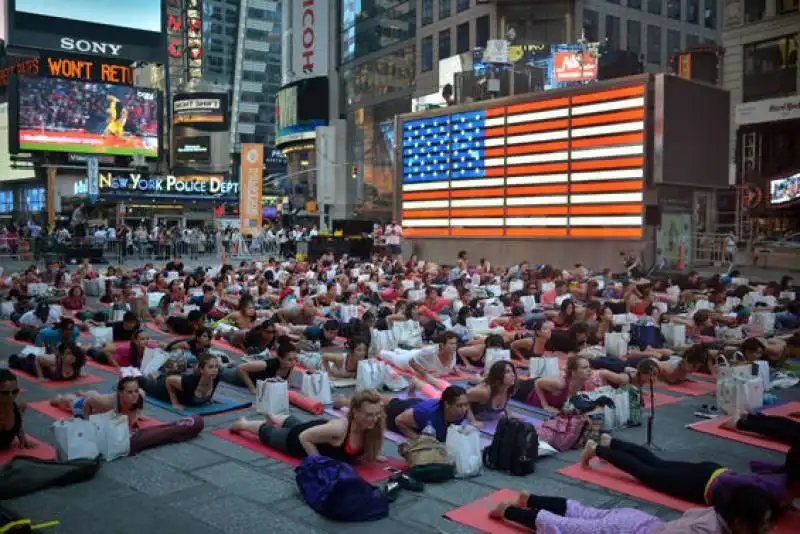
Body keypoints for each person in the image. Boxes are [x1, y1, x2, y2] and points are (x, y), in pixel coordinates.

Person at [580, 434, 800, 509]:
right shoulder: (777, 489)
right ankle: (597, 448)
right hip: (700, 484)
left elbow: (756, 466)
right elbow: (738, 485)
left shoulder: (783, 478)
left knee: (657, 464)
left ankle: (612, 442)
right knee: (646, 472)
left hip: (713, 471)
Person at [489, 485, 776, 534]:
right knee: (569, 527)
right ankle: (509, 511)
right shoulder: (706, 529)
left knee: (584, 513)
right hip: (628, 528)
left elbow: (685, 516)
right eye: (760, 527)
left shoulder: (715, 515)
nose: (766, 531)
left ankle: (531, 498)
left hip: (639, 521)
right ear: (739, 522)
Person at [230, 388, 385, 464]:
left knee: (298, 424)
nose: (374, 418)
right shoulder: (340, 429)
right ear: (356, 413)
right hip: (295, 441)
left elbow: (368, 445)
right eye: (369, 414)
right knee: (268, 432)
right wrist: (318, 464)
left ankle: (275, 417)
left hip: (317, 430)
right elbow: (304, 437)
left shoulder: (373, 426)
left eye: (377, 414)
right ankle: (244, 423)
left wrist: (373, 454)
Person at [513, 355, 633, 413]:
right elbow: (538, 382)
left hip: (545, 390)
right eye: (584, 368)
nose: (589, 370)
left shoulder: (581, 385)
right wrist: (545, 406)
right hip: (527, 390)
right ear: (574, 372)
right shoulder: (560, 384)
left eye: (589, 367)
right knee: (505, 387)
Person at [385, 385, 469, 449]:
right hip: (397, 412)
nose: (464, 409)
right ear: (447, 404)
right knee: (386, 403)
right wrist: (418, 439)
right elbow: (398, 420)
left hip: (418, 403)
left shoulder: (462, 412)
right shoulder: (426, 414)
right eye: (460, 405)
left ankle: (410, 395)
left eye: (466, 404)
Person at [139, 353, 221, 411]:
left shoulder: (216, 377)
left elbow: (208, 389)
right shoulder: (190, 382)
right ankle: (152, 376)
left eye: (216, 367)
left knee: (163, 377)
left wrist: (209, 398)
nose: (215, 370)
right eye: (210, 367)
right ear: (201, 369)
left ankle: (155, 375)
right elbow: (169, 380)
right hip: (162, 389)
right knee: (142, 381)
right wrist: (175, 403)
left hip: (179, 382)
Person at [220, 336, 298, 393]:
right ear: (280, 358)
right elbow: (241, 368)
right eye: (290, 359)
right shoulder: (267, 365)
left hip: (251, 371)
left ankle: (230, 363)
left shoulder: (290, 365)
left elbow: (285, 383)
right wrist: (252, 388)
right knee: (218, 371)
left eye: (295, 359)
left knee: (236, 365)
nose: (293, 362)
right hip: (239, 377)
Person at [9, 342, 86, 381]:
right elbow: (38, 358)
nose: (65, 355)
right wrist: (40, 377)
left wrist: (79, 374)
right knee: (16, 362)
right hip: (32, 366)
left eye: (69, 354)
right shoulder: (54, 360)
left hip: (46, 362)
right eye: (65, 353)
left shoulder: (76, 366)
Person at [0, 369, 33, 449]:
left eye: (15, 391)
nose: (11, 396)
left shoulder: (18, 407)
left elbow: (18, 425)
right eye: (5, 393)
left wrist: (23, 439)